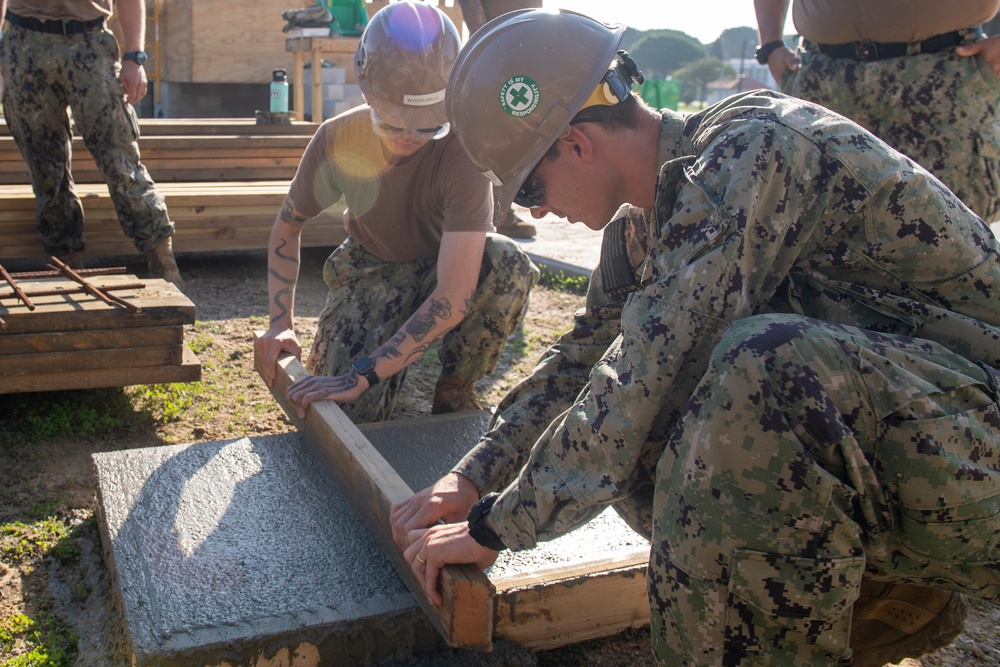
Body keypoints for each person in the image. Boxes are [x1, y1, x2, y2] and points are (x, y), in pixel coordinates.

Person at [390, 8, 1000, 666]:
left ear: (576, 142)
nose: (536, 210)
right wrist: (473, 479)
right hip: (915, 450)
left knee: (757, 374)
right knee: (650, 445)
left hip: (978, 440)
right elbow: (575, 368)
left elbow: (642, 374)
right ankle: (879, 606)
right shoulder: (643, 226)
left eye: (530, 186)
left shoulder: (749, 147)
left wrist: (498, 526)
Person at [255, 0, 538, 424]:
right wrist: (280, 322)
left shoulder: (465, 151)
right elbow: (288, 226)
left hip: (445, 265)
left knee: (506, 261)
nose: (408, 136)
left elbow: (453, 294)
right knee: (344, 416)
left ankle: (454, 390)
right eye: (391, 122)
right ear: (367, 93)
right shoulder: (337, 138)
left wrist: (365, 373)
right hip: (372, 266)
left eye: (427, 126)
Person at [754, 0, 1000, 223]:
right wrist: (771, 44)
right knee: (815, 239)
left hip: (946, 75)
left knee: (955, 235)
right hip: (824, 79)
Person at [0, 0, 183, 286]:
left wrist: (135, 57)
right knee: (45, 166)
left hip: (89, 43)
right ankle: (64, 263)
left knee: (119, 158)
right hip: (25, 44)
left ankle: (162, 261)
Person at [455, 0, 542, 239]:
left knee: (517, 135)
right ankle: (496, 212)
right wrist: (489, 45)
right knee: (497, 135)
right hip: (498, 54)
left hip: (525, 51)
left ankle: (503, 208)